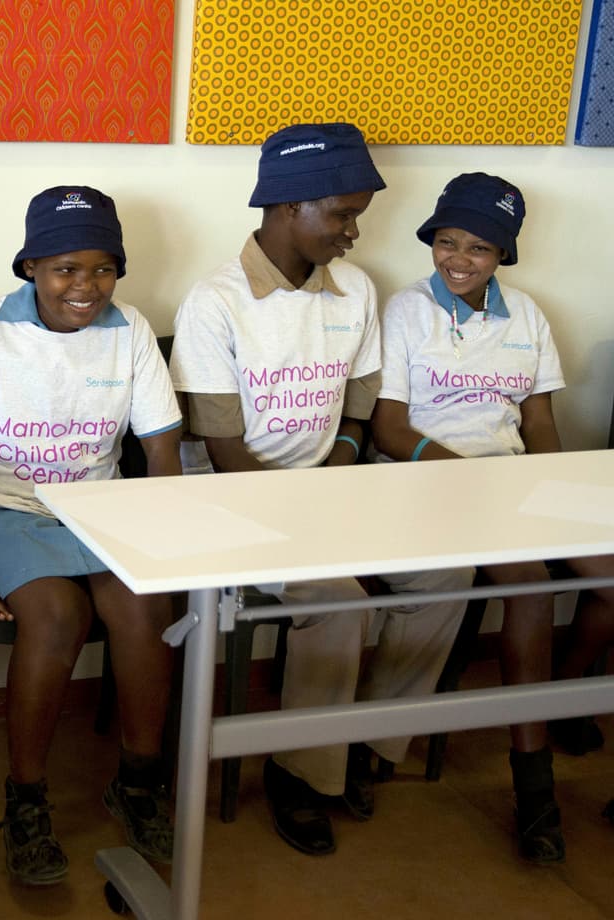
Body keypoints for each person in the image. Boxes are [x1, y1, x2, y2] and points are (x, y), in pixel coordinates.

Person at [168, 123, 474, 857]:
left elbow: (359, 414)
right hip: (236, 502)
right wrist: (309, 512)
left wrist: (337, 471)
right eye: (341, 214)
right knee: (340, 600)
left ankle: (366, 743)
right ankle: (299, 770)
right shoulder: (215, 303)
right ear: (285, 208)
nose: (354, 231)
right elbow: (221, 447)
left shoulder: (356, 290)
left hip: (332, 490)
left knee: (447, 571)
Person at [0, 186, 182, 885]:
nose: (85, 285)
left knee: (145, 604)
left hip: (99, 508)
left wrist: (164, 547)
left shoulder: (130, 333)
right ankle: (26, 798)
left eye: (102, 268)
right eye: (66, 268)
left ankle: (138, 778)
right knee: (59, 613)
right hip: (3, 509)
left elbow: (160, 449)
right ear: (31, 266)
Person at [371, 171, 614, 863]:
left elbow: (538, 419)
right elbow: (389, 428)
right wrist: (479, 481)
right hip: (431, 480)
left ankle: (564, 694)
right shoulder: (406, 310)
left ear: (503, 255)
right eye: (446, 242)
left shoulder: (527, 316)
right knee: (529, 585)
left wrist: (551, 491)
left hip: (511, 483)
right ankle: (533, 783)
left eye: (478, 248)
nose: (457, 259)